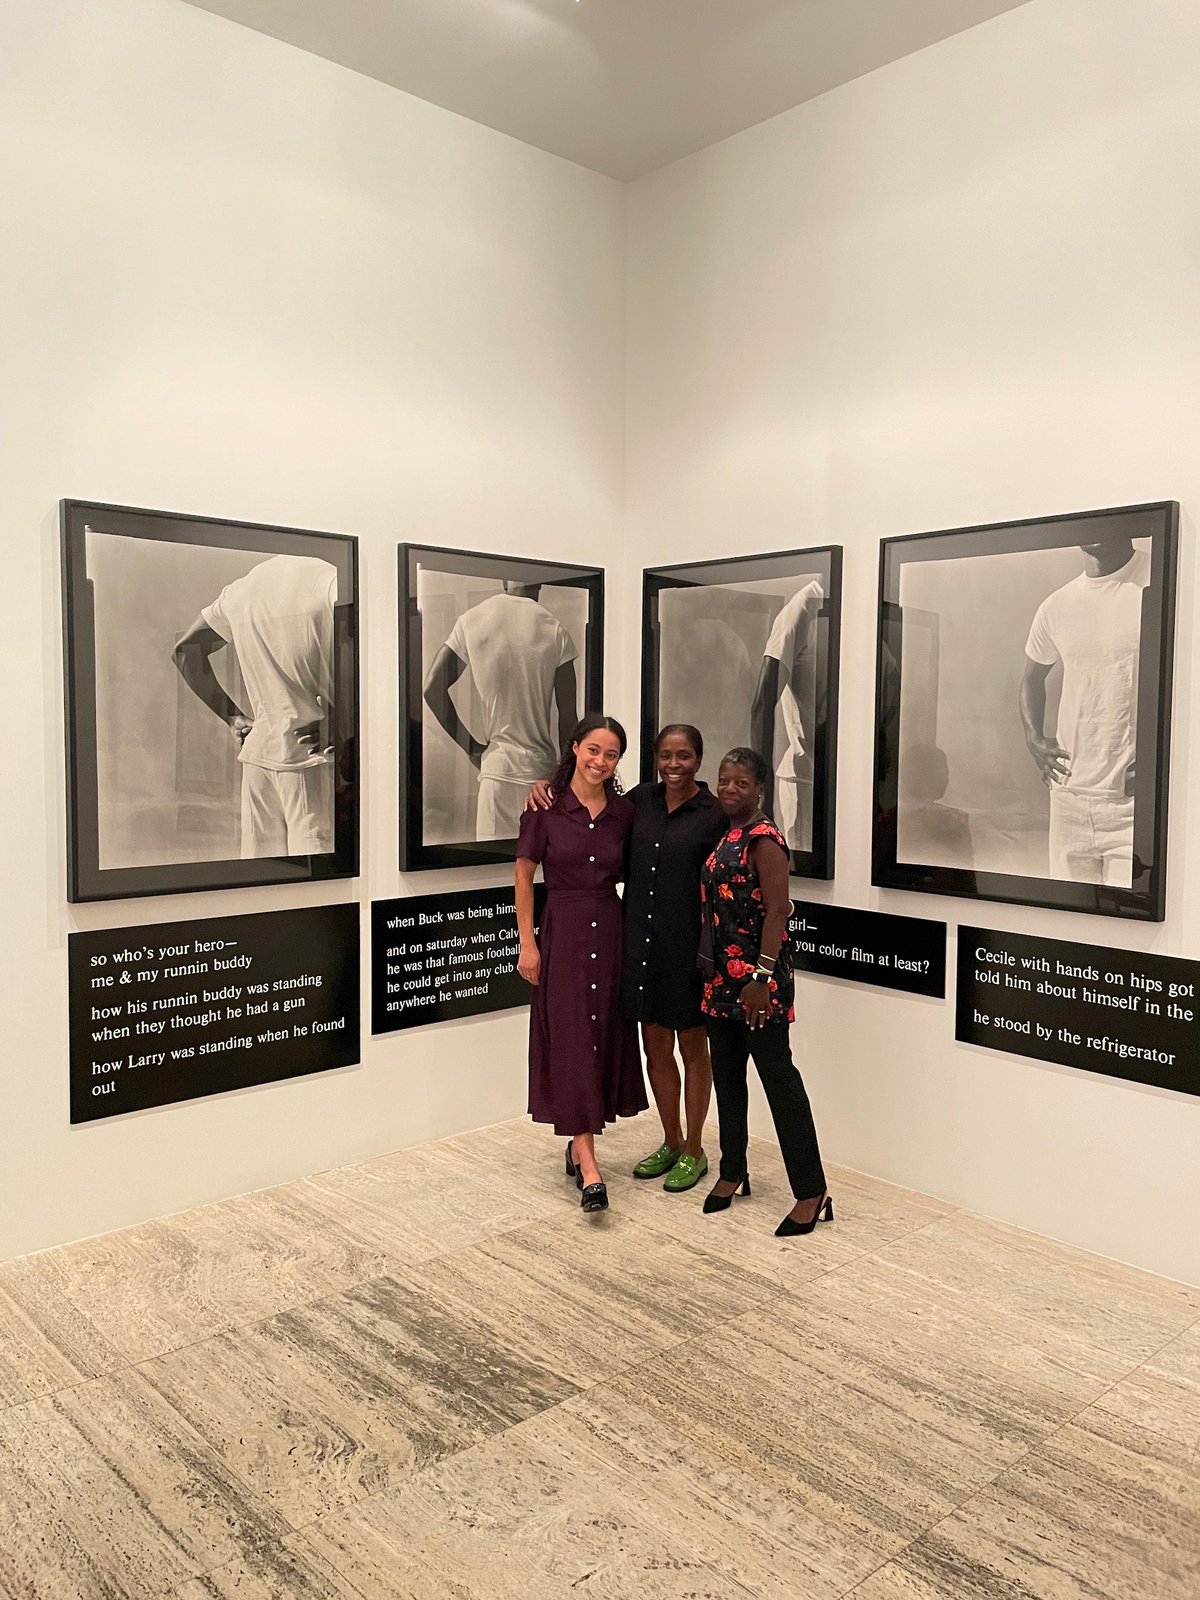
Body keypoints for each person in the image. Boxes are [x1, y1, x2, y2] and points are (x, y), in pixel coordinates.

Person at [526, 725, 725, 1193]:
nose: (674, 764)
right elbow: (582, 810)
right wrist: (544, 785)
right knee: (655, 1046)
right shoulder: (640, 803)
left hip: (688, 949)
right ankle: (670, 1141)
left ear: (699, 760)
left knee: (693, 1047)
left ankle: (695, 1149)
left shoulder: (713, 814)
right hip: (638, 946)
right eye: (665, 755)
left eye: (684, 756)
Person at [515, 715, 647, 1213]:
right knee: (570, 1037)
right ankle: (588, 1162)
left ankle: (579, 1146)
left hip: (610, 931)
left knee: (600, 1034)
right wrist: (528, 944)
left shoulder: (625, 813)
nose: (600, 761)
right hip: (563, 931)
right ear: (574, 748)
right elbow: (524, 877)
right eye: (593, 749)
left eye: (611, 754)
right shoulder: (545, 807)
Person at [699, 747, 831, 1238]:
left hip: (759, 984)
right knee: (728, 1078)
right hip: (720, 982)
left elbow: (778, 912)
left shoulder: (764, 840)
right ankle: (733, 1170)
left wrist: (761, 979)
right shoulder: (726, 833)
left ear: (759, 789)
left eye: (741, 783)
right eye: (723, 780)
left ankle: (811, 1191)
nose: (729, 789)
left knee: (779, 1083)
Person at [173, 554, 338, 858]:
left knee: (264, 875)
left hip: (259, 760)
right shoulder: (330, 579)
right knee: (321, 877)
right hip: (313, 759)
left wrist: (234, 718)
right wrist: (346, 720)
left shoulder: (242, 588)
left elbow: (186, 654)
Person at [1019, 534, 1149, 888]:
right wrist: (1034, 739)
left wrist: (1165, 762)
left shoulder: (1161, 580)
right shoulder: (1057, 605)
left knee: (1135, 918)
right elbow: (1031, 679)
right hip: (1069, 798)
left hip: (1135, 802)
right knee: (1069, 917)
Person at [424, 581, 578, 841]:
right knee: (541, 864)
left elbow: (432, 689)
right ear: (541, 580)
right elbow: (568, 718)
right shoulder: (555, 629)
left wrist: (471, 747)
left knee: (492, 865)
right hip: (541, 776)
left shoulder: (472, 620)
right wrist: (565, 780)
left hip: (497, 772)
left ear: (505, 582)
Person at [751, 580, 823, 853]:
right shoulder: (801, 609)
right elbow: (762, 704)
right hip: (805, 780)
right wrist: (763, 793)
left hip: (846, 779)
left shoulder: (859, 603)